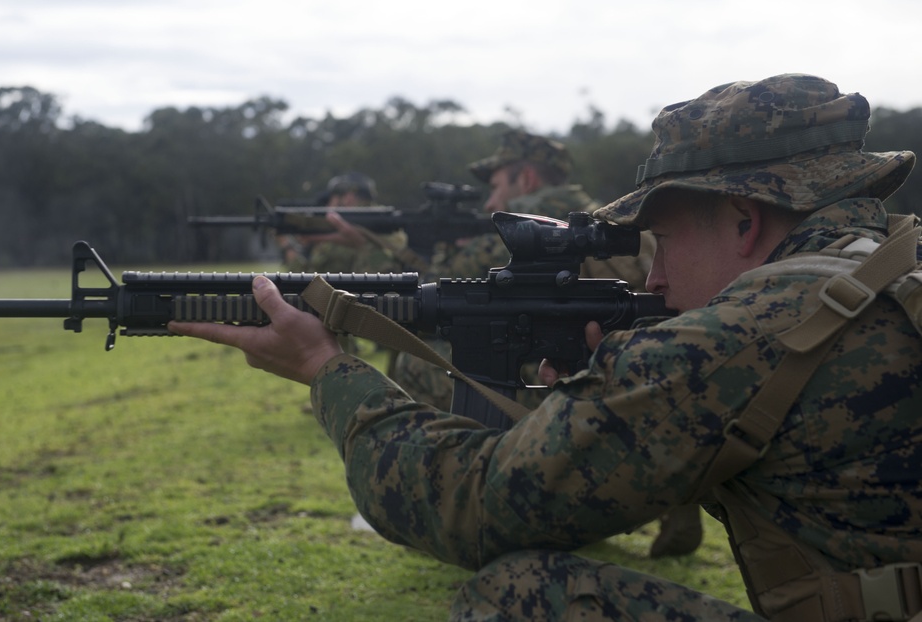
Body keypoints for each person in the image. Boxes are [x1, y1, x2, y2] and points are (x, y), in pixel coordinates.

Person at [170, 73, 922, 620]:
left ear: (743, 221)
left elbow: (473, 505)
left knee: (522, 595)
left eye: (662, 238)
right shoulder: (898, 265)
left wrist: (325, 368)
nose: (655, 274)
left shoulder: (737, 337)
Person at [392, 129, 700, 559]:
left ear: (528, 181)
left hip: (596, 365)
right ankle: (675, 500)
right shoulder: (615, 221)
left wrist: (396, 248)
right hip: (650, 369)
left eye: (497, 186)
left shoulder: (532, 224)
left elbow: (448, 275)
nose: (489, 202)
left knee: (421, 368)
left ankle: (474, 496)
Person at [279, 171, 407, 274]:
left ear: (350, 196)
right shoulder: (386, 221)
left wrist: (286, 245)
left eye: (336, 197)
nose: (331, 205)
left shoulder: (383, 224)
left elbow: (310, 282)